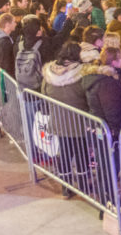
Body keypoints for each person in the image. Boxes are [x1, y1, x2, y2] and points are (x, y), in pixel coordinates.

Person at [80, 47, 121, 206]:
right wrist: (118, 131)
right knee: (110, 167)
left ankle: (107, 200)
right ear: (114, 61)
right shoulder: (107, 83)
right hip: (110, 133)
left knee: (105, 167)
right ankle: (109, 201)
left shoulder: (94, 78)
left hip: (100, 130)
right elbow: (112, 111)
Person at [41, 42, 90, 199]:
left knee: (64, 153)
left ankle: (66, 187)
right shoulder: (81, 75)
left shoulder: (49, 75)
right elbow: (86, 96)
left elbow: (44, 93)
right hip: (79, 121)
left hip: (59, 120)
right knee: (81, 152)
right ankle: (83, 184)